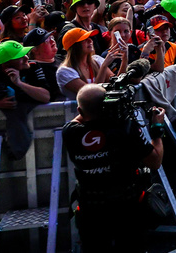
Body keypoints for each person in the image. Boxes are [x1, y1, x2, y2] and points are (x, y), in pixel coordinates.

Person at [64, 83, 166, 253]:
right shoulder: (125, 129)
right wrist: (156, 129)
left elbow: (83, 115)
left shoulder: (70, 132)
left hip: (91, 211)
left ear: (79, 111)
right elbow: (155, 162)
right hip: (126, 209)